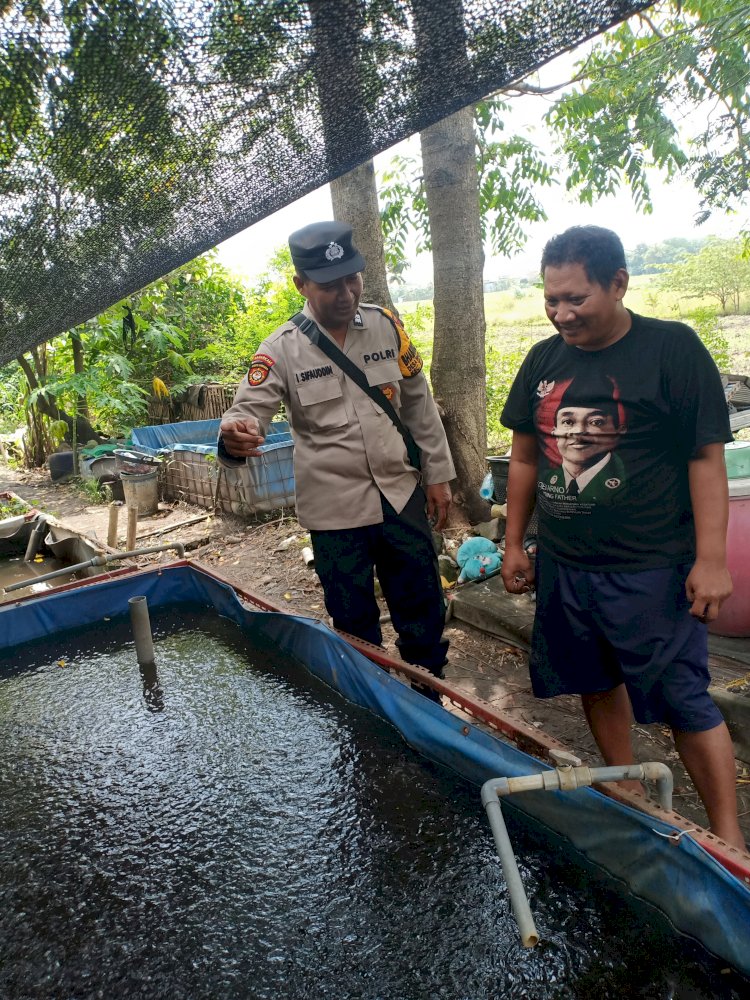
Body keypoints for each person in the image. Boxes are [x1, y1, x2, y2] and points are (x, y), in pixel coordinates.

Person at [500, 224, 744, 849]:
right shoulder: (542, 361)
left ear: (618, 284)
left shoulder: (672, 349)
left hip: (651, 567)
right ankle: (626, 789)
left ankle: (726, 838)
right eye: (551, 299)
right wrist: (514, 541)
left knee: (683, 698)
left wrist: (712, 558)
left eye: (576, 299)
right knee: (593, 678)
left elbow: (704, 459)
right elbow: (524, 458)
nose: (561, 314)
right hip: (567, 564)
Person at [219, 221, 455, 696]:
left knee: (423, 609)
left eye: (352, 279)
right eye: (329, 286)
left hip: (400, 495)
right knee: (353, 623)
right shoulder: (280, 350)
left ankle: (430, 702)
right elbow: (247, 412)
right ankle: (372, 707)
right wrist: (234, 437)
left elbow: (418, 405)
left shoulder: (387, 327)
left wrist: (438, 476)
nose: (345, 293)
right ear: (300, 285)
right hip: (334, 513)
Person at [539, 372, 628, 505]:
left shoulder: (630, 480)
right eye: (568, 422)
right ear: (554, 432)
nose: (579, 431)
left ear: (618, 431)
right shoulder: (545, 480)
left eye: (596, 422)